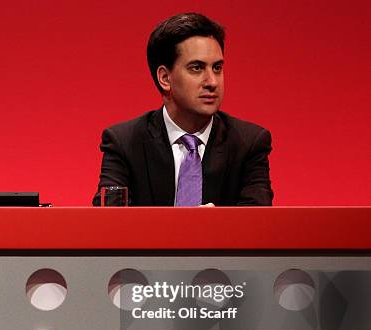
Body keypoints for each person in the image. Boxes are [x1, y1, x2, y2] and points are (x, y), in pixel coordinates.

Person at [93, 13, 273, 206]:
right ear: (165, 78)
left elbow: (257, 224)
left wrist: (216, 227)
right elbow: (109, 222)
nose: (212, 82)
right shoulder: (124, 143)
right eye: (196, 68)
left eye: (217, 68)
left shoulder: (248, 144)